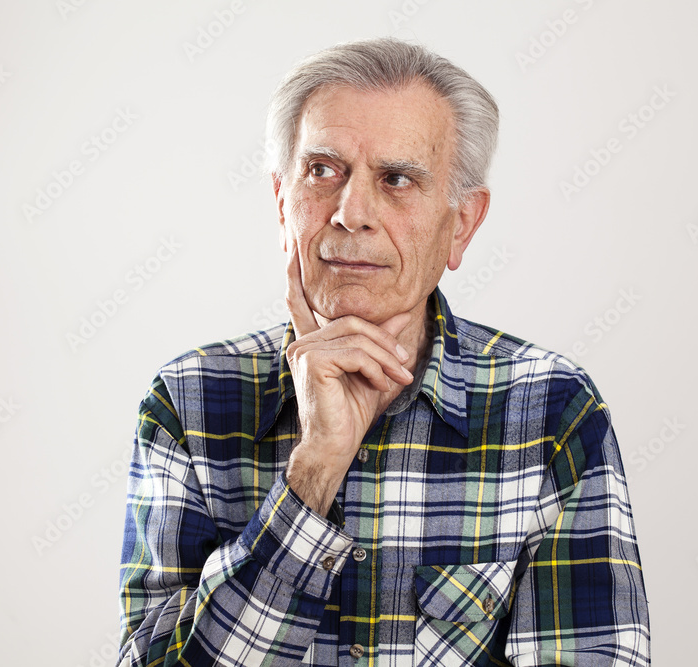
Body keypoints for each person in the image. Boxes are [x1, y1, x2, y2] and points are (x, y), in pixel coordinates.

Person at [117, 38, 650, 666]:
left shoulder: (552, 411)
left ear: (462, 225)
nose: (351, 212)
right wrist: (313, 470)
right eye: (322, 171)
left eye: (396, 179)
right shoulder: (190, 400)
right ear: (281, 202)